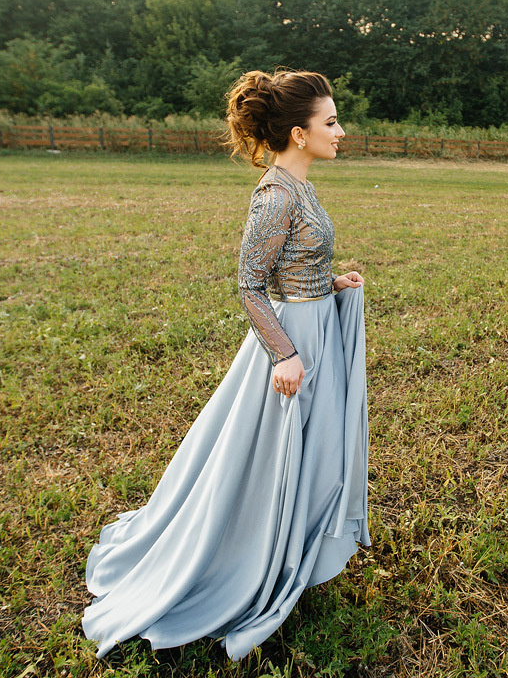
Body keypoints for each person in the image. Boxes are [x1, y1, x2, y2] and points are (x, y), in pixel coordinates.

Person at [81, 69, 369, 661]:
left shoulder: (302, 186)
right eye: (332, 122)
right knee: (264, 461)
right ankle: (245, 558)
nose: (342, 131)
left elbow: (294, 267)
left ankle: (296, 550)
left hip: (313, 329)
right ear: (299, 132)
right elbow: (249, 286)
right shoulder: (274, 194)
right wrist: (285, 354)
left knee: (312, 453)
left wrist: (329, 282)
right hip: (290, 347)